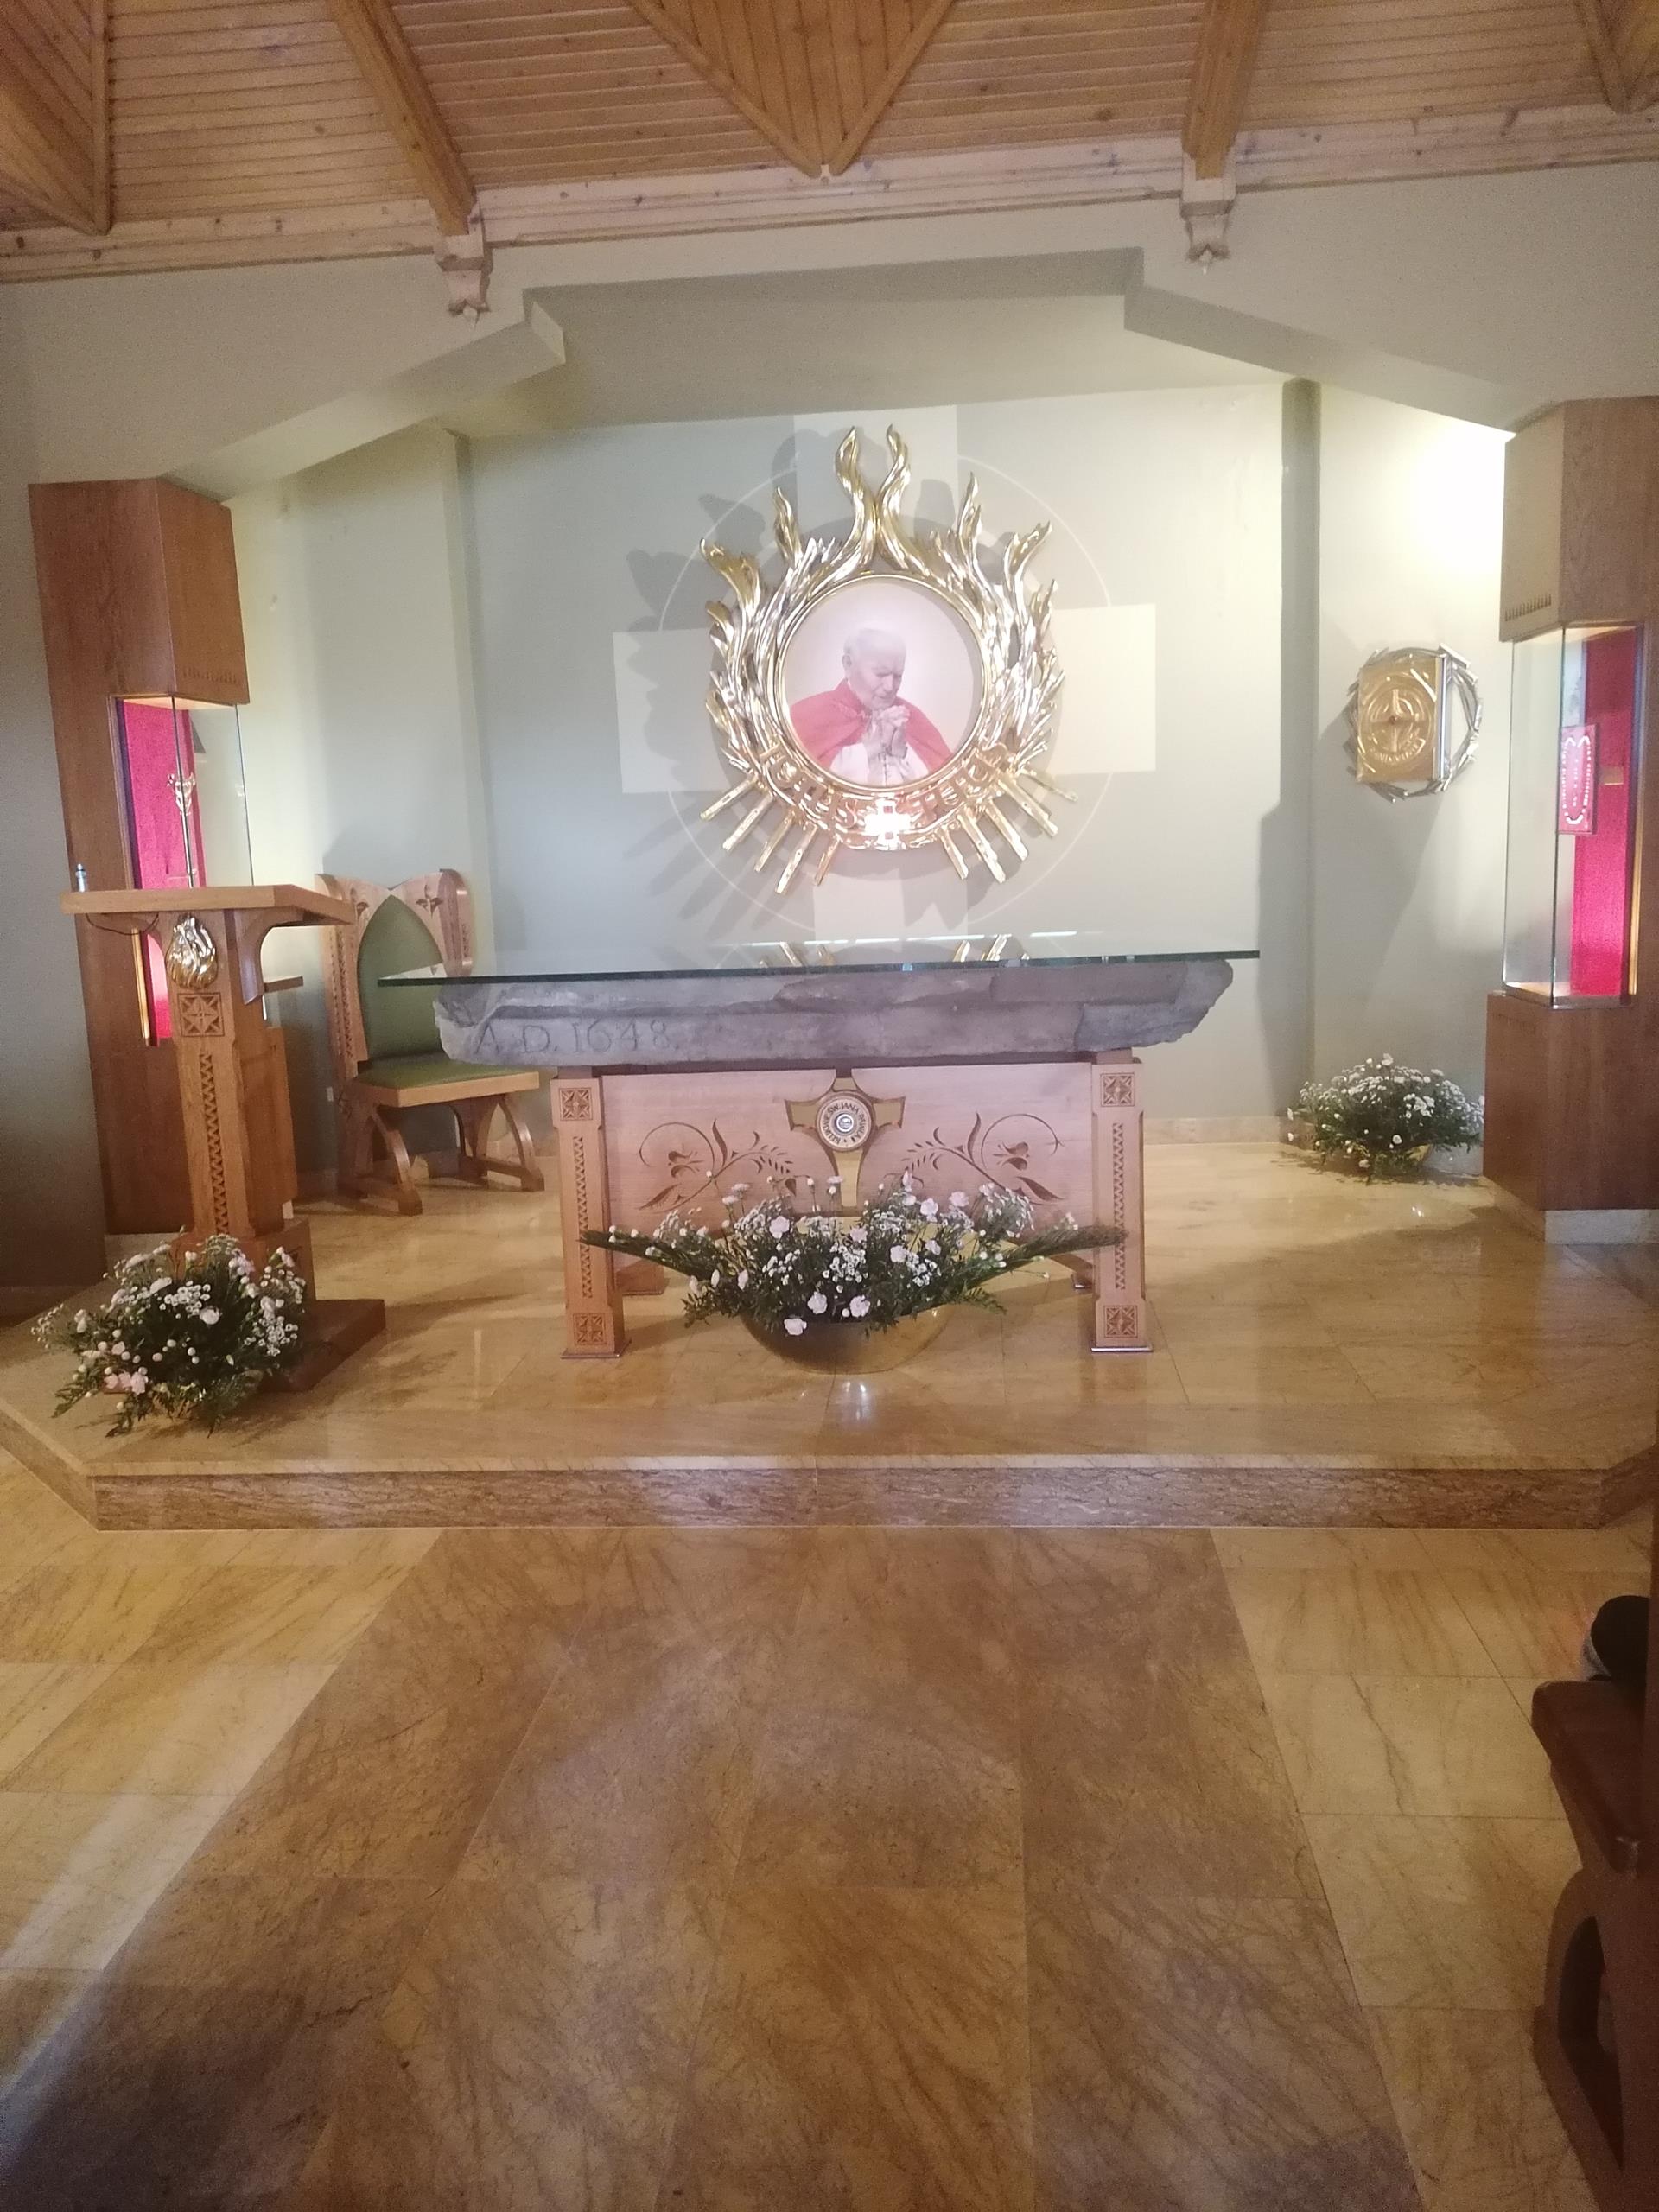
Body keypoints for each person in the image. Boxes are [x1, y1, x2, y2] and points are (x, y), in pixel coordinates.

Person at [789, 626, 953, 785]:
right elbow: (799, 780)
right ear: (848, 664)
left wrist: (901, 752)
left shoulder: (911, 716)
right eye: (880, 674)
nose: (890, 687)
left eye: (898, 676)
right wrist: (873, 746)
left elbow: (945, 785)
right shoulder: (810, 713)